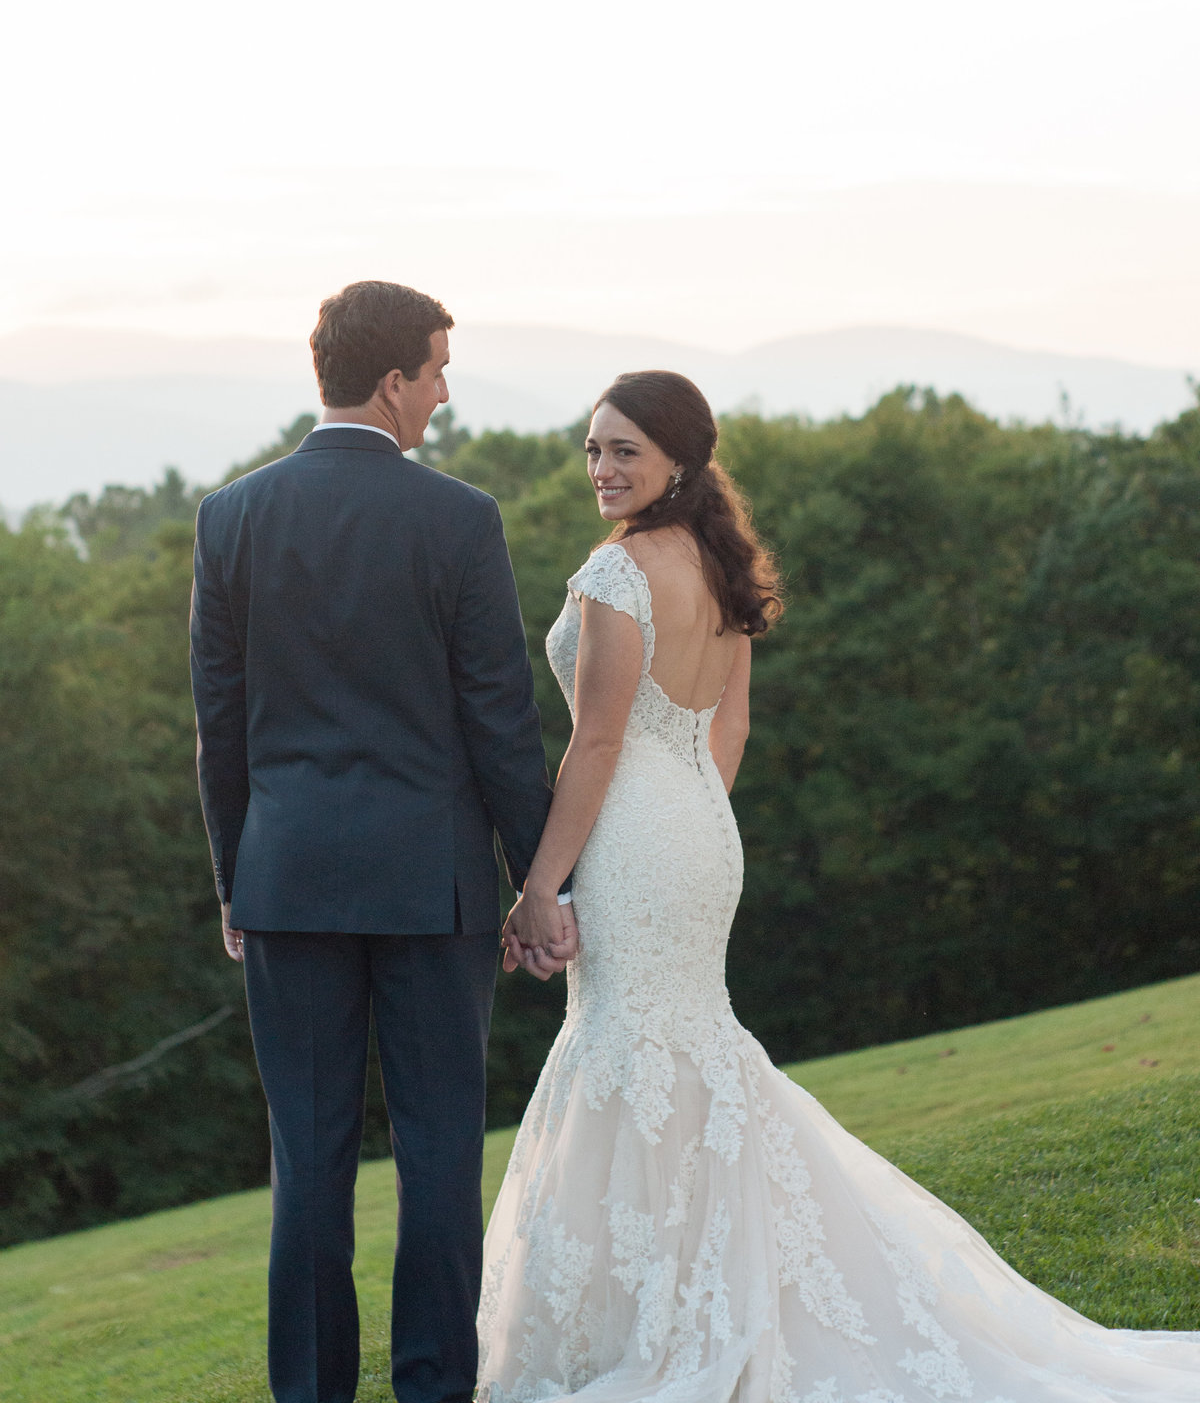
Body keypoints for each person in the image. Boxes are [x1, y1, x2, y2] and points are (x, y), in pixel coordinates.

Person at [481, 369, 1200, 1403]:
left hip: (639, 831)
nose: (601, 468)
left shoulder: (618, 575)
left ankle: (667, 1312)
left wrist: (541, 887)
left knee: (631, 1047)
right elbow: (726, 729)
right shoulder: (719, 566)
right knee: (680, 1049)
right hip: (696, 829)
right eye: (593, 448)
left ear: (677, 458)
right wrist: (693, 823)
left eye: (623, 449)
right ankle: (695, 1291)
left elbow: (595, 742)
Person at [189, 279, 576, 1403]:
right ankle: (433, 1389)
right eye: (439, 371)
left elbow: (221, 729)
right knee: (440, 1152)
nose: (446, 395)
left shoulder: (232, 516)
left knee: (308, 1160)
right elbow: (500, 724)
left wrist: (233, 878)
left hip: (287, 879)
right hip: (431, 887)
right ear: (393, 380)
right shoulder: (458, 518)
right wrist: (542, 882)